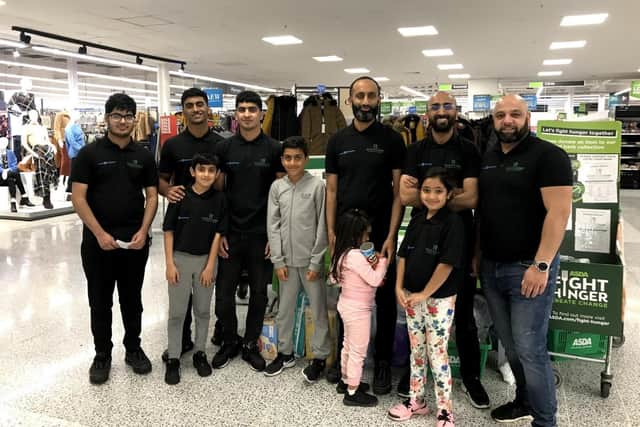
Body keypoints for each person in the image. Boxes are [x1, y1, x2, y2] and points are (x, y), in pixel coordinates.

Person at [476, 94, 571, 426]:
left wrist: (541, 265)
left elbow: (559, 214)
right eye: (500, 115)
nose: (507, 120)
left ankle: (545, 421)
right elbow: (483, 211)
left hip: (528, 268)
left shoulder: (549, 156)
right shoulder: (488, 157)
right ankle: (524, 401)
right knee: (512, 347)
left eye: (515, 114)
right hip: (491, 267)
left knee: (530, 348)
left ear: (527, 117)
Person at [399, 91, 489, 407]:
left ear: (455, 112)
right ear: (427, 113)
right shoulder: (414, 150)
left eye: (447, 106)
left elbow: (474, 198)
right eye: (435, 106)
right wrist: (452, 194)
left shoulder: (468, 150)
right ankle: (414, 380)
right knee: (419, 313)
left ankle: (472, 378)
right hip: (421, 240)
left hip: (459, 242)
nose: (441, 111)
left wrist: (431, 197)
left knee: (463, 316)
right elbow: (405, 197)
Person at [325, 76, 406, 393]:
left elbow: (399, 192)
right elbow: (331, 190)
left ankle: (383, 363)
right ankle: (343, 361)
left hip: (380, 232)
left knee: (383, 297)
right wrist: (331, 231)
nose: (366, 101)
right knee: (349, 296)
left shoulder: (392, 139)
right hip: (347, 235)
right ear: (350, 100)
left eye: (371, 95)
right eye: (360, 96)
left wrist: (392, 234)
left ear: (379, 98)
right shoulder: (337, 141)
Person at [71, 93, 158, 385]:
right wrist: (99, 233)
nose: (123, 121)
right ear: (107, 118)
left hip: (134, 242)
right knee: (100, 301)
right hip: (97, 245)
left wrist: (145, 231)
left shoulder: (144, 155)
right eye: (117, 115)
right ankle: (102, 355)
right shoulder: (89, 154)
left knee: (132, 300)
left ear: (135, 119)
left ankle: (133, 349)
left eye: (128, 116)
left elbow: (153, 195)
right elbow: (78, 198)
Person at [212, 90, 285, 372]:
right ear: (236, 113)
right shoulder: (224, 149)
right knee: (224, 293)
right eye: (241, 109)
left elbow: (280, 196)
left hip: (261, 234)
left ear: (261, 113)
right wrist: (219, 235)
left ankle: (250, 343)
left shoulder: (274, 149)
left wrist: (273, 236)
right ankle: (230, 340)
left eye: (251, 109)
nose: (246, 114)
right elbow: (217, 194)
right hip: (230, 234)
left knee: (259, 293)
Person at [388, 167, 463, 426]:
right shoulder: (418, 218)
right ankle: (416, 400)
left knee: (436, 352)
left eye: (438, 191)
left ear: (449, 194)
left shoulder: (453, 223)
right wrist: (399, 287)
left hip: (438, 300)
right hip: (411, 297)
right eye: (426, 190)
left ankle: (445, 410)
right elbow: (403, 255)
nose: (431, 196)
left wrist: (424, 294)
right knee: (416, 350)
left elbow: (446, 265)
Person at [158, 88, 225, 362]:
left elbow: (224, 183)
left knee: (204, 298)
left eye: (200, 104)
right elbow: (161, 180)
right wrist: (167, 191)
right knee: (179, 299)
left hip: (210, 227)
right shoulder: (172, 145)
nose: (196, 109)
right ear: (182, 110)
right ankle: (180, 343)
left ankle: (204, 343)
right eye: (190, 105)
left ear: (208, 109)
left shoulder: (221, 143)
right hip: (183, 228)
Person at [264, 136, 331, 380]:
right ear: (282, 159)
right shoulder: (277, 188)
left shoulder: (317, 187)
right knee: (284, 309)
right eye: (288, 158)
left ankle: (320, 357)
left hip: (310, 263)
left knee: (319, 309)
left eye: (297, 158)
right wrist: (278, 261)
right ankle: (285, 353)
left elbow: (322, 226)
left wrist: (316, 262)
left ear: (306, 159)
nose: (292, 162)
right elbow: (272, 225)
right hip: (286, 265)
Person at [162, 153, 227, 385]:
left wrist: (211, 265)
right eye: (201, 170)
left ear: (217, 174)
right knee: (177, 312)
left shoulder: (220, 200)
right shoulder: (179, 197)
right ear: (192, 172)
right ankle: (173, 358)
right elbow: (168, 231)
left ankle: (200, 352)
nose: (206, 175)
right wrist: (169, 263)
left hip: (205, 263)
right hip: (179, 259)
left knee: (202, 310)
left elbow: (218, 234)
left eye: (211, 171)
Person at [331, 209, 388, 407]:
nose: (368, 237)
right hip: (358, 310)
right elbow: (374, 279)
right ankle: (352, 393)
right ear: (356, 234)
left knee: (347, 344)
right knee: (358, 350)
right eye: (366, 234)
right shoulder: (355, 256)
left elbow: (335, 278)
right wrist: (383, 262)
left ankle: (346, 381)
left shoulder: (342, 253)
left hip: (346, 305)